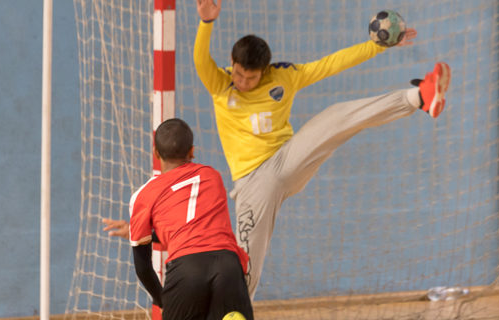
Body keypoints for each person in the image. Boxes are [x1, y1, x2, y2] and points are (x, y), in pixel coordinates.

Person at [191, 0, 452, 299]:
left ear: (264, 71)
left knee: (336, 117)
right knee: (246, 267)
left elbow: (331, 63)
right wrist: (206, 23)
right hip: (253, 184)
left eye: (251, 77)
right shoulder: (221, 84)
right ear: (232, 64)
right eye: (239, 74)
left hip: (287, 160)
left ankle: (418, 97)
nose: (243, 82)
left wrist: (378, 47)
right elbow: (201, 60)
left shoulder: (285, 76)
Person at [127, 118, 256, 320]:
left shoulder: (143, 195)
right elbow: (195, 226)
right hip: (228, 266)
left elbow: (142, 267)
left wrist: (162, 299)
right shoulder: (212, 176)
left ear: (156, 153)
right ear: (192, 151)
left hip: (186, 270)